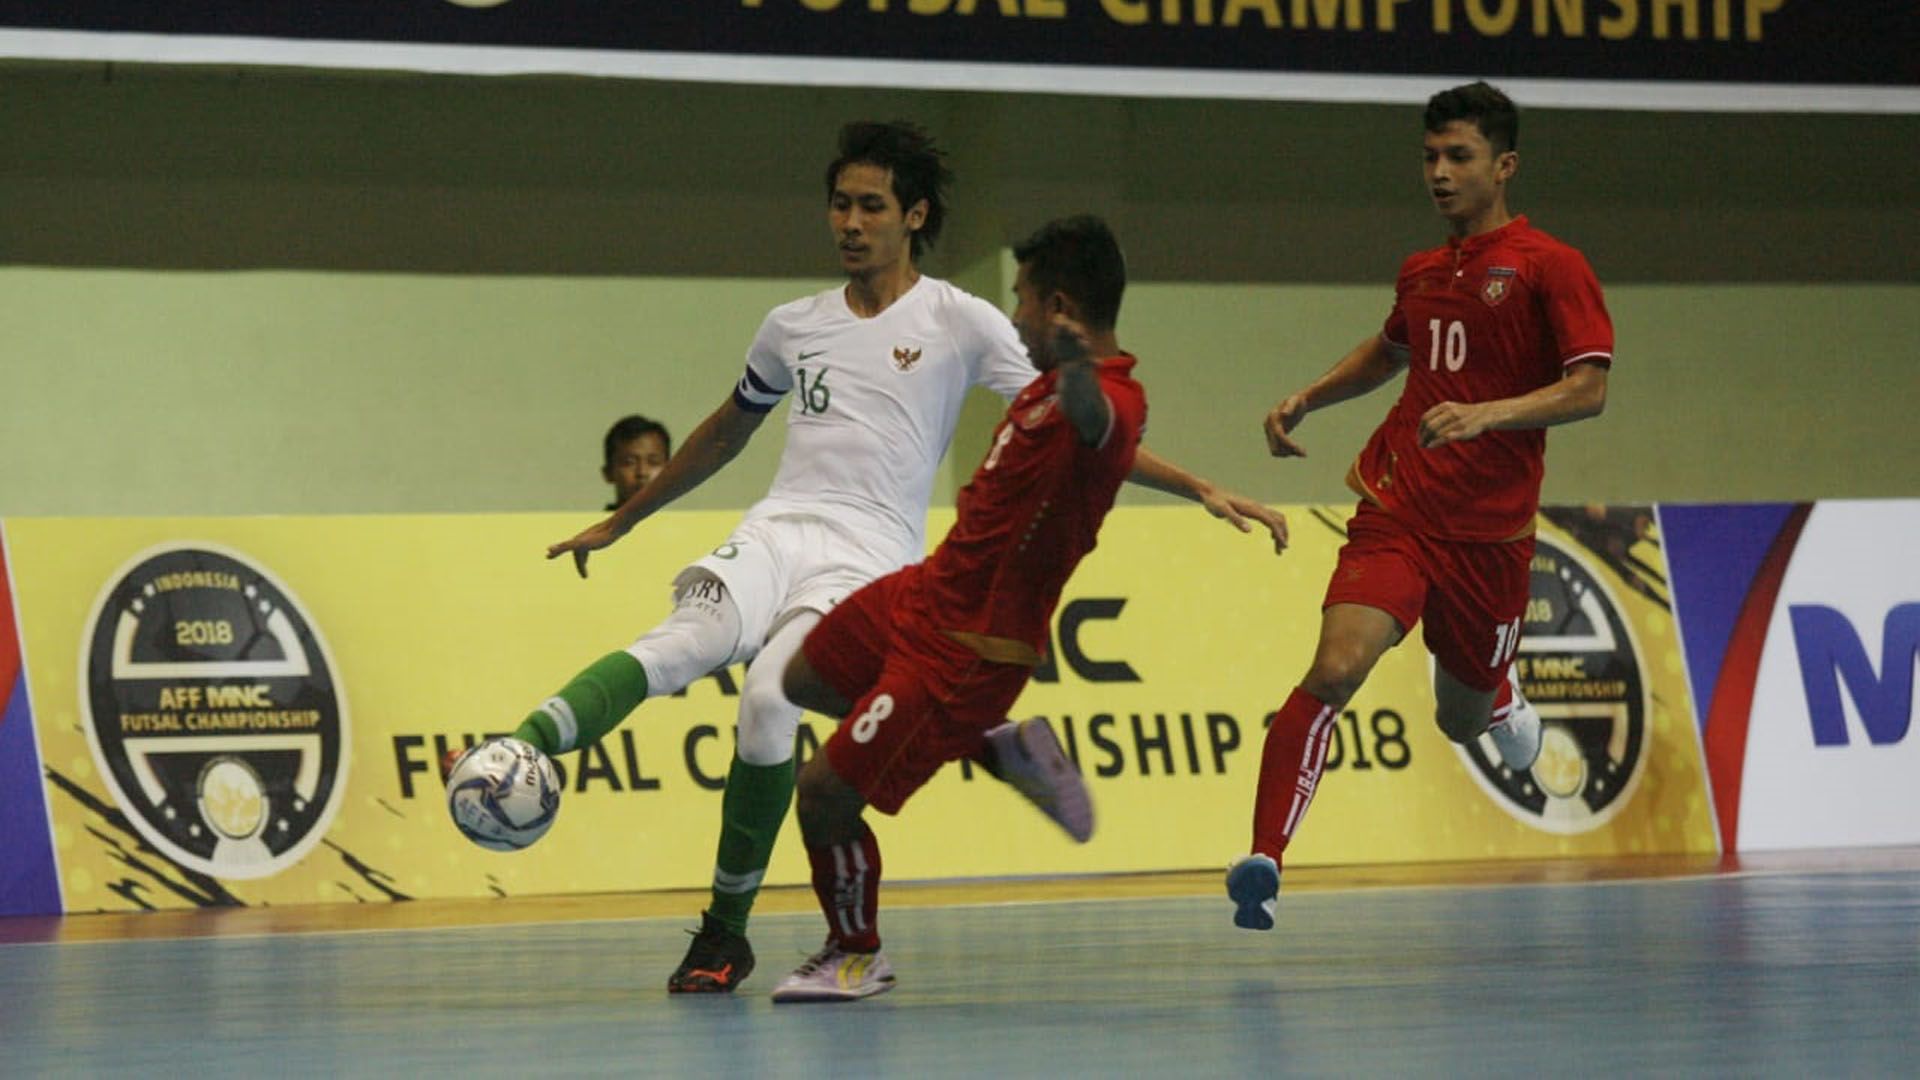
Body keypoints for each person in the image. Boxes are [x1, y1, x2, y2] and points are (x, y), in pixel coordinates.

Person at [480, 122, 1286, 995]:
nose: (851, 222)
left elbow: (1085, 427)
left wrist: (1199, 484)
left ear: (914, 217)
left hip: (867, 555)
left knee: (765, 704)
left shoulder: (963, 318)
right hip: (779, 526)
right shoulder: (792, 325)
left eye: (872, 206)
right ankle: (511, 754)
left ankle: (724, 934)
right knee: (679, 643)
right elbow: (725, 430)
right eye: (840, 204)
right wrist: (625, 519)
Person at [1227, 81, 1613, 931]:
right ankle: (1264, 858)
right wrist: (1308, 398)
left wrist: (1489, 414)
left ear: (1503, 166)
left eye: (1459, 157)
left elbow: (1589, 390)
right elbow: (1390, 351)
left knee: (1458, 716)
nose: (1439, 173)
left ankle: (1499, 692)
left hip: (1491, 536)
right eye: (1430, 157)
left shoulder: (1551, 264)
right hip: (1398, 505)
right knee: (1334, 670)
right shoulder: (1424, 269)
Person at [769, 214, 1156, 1003]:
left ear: (1057, 307)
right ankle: (990, 747)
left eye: (1021, 301)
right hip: (923, 592)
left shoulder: (1107, 398)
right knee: (802, 678)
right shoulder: (1044, 384)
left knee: (823, 793)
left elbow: (1100, 425)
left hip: (967, 648)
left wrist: (1080, 369)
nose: (1012, 319)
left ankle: (855, 953)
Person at [601, 414, 672, 510]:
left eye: (653, 462)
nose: (642, 472)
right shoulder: (590, 524)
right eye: (629, 463)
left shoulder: (686, 524)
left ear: (671, 470)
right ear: (608, 473)